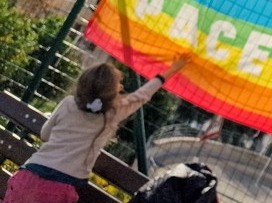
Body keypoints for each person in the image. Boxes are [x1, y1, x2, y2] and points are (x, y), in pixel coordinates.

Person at [4, 54, 191, 203]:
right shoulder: (111, 114)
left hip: (28, 174)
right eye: (119, 85)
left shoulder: (68, 103)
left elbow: (45, 134)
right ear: (111, 93)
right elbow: (142, 95)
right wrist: (171, 70)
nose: (122, 86)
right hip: (61, 186)